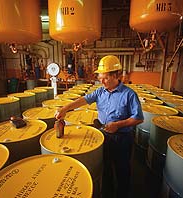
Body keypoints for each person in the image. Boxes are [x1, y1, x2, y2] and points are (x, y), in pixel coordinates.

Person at [55, 55, 144, 198]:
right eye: (100, 77)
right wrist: (65, 108)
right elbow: (84, 100)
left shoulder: (129, 94)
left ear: (116, 75)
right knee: (106, 166)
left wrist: (118, 125)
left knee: (122, 170)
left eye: (105, 78)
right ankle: (107, 193)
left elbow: (138, 118)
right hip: (103, 135)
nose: (101, 81)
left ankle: (123, 193)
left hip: (122, 138)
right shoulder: (100, 91)